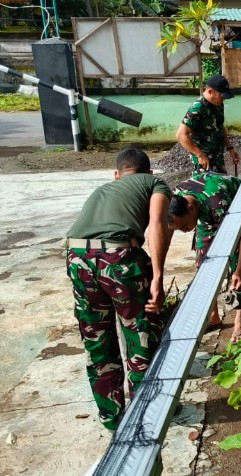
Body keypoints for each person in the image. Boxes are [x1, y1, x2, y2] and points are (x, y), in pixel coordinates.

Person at [64, 148, 173, 430]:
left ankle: (112, 418)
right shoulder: (154, 184)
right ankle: (144, 416)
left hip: (77, 258)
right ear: (148, 172)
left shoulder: (104, 189)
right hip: (119, 259)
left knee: (97, 340)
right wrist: (158, 278)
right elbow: (158, 224)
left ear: (117, 174)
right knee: (140, 334)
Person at [167, 172, 241, 342]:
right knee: (202, 265)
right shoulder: (175, 197)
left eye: (184, 226)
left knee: (240, 266)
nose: (184, 231)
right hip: (205, 214)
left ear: (191, 208)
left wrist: (239, 270)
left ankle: (240, 321)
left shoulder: (219, 204)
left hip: (232, 201)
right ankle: (213, 316)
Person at [176, 74, 240, 174]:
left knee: (222, 186)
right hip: (205, 164)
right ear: (210, 92)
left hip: (218, 159)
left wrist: (230, 148)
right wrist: (199, 154)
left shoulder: (218, 104)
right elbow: (181, 135)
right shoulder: (198, 107)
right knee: (206, 188)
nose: (223, 99)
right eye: (221, 96)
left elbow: (219, 126)